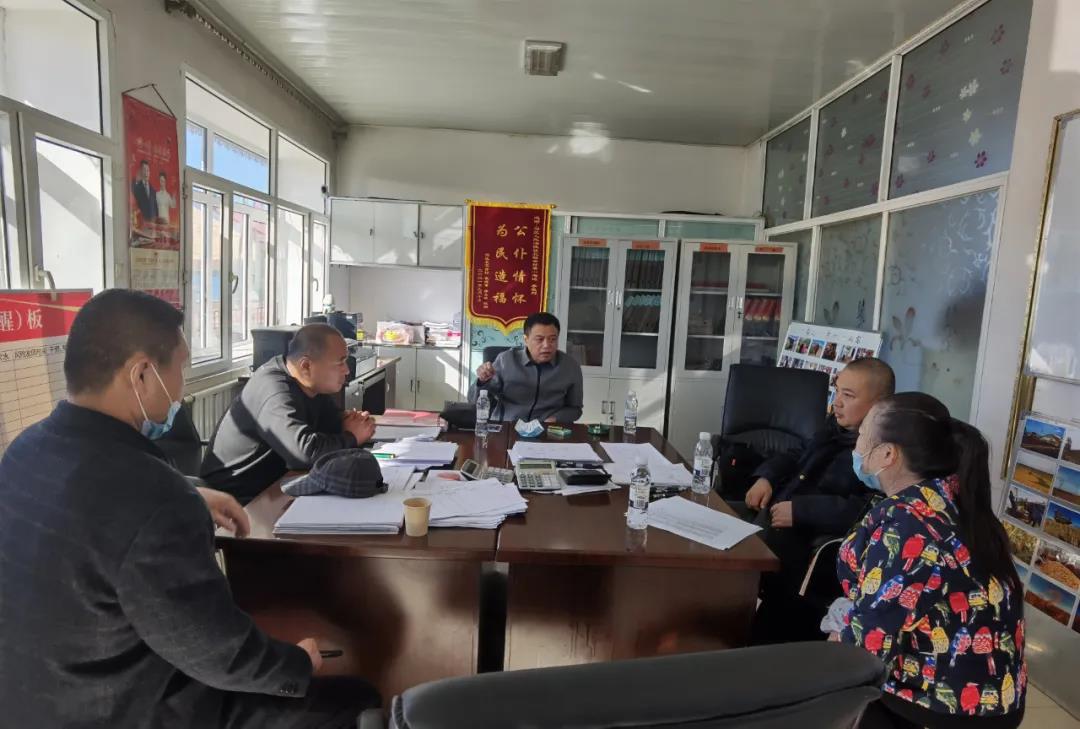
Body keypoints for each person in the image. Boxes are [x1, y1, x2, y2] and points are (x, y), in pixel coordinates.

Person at [0, 289, 380, 728]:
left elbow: (95, 509)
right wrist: (295, 664)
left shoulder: (25, 450)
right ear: (142, 374)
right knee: (355, 699)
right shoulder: (153, 497)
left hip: (30, 699)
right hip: (123, 708)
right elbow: (217, 651)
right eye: (180, 368)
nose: (180, 389)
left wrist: (189, 492)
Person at [836, 392, 1025, 729]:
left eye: (863, 436)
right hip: (994, 697)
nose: (857, 446)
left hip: (942, 704)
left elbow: (868, 644)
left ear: (888, 453)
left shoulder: (909, 524)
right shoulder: (952, 497)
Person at [747, 357, 896, 643]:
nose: (836, 402)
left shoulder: (879, 452)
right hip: (773, 526)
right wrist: (766, 476)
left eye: (848, 395)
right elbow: (799, 453)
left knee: (765, 623)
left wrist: (801, 510)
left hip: (807, 559)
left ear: (879, 405)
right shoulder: (835, 427)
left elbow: (867, 509)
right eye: (837, 391)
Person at [201, 324, 375, 503]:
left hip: (275, 485)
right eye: (340, 362)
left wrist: (349, 423)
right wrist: (352, 437)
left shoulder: (310, 385)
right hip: (237, 499)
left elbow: (329, 422)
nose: (346, 370)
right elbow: (303, 454)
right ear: (306, 365)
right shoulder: (274, 389)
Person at [469, 312, 583, 423]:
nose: (546, 345)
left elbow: (575, 409)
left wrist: (555, 419)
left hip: (548, 428)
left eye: (553, 339)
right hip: (507, 425)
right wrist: (482, 381)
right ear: (526, 340)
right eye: (539, 339)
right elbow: (474, 400)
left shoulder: (570, 366)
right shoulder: (506, 360)